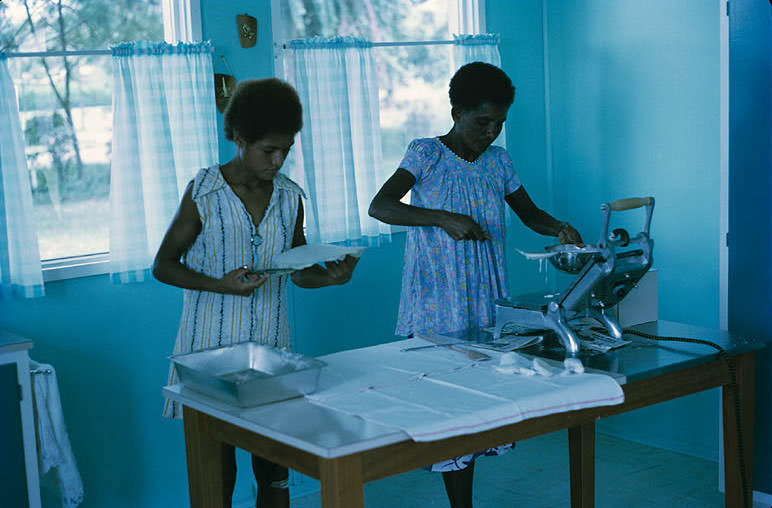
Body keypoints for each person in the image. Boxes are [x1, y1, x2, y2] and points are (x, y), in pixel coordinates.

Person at [368, 61, 583, 508]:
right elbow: (382, 206)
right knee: (447, 406)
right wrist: (442, 218)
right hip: (437, 298)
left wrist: (560, 228)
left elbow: (529, 213)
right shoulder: (425, 154)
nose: (491, 132)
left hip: (484, 297)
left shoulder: (499, 162)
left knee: (481, 401)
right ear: (456, 111)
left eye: (499, 123)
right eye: (482, 121)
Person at [153, 78, 359, 508]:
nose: (279, 159)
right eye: (269, 150)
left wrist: (331, 278)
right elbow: (163, 265)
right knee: (216, 463)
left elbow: (296, 272)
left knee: (274, 463)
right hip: (209, 349)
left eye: (286, 149)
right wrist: (218, 284)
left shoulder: (289, 197)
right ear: (240, 140)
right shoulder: (205, 191)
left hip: (270, 351)